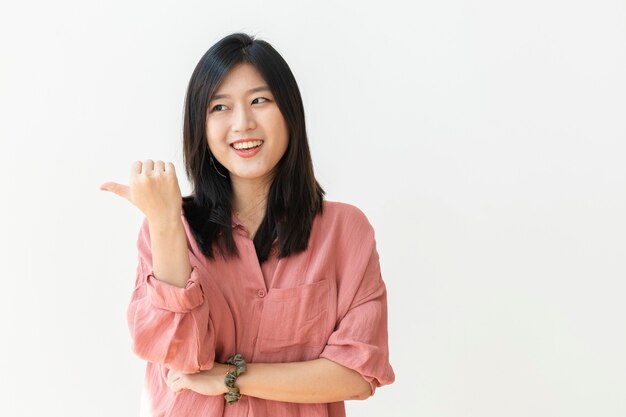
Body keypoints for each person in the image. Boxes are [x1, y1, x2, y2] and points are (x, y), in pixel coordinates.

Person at [100, 32, 394, 417]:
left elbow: (357, 373)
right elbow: (178, 355)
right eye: (220, 107)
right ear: (200, 127)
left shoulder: (345, 231)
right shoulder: (171, 227)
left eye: (260, 100)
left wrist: (230, 378)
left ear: (290, 112)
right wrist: (166, 224)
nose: (243, 123)